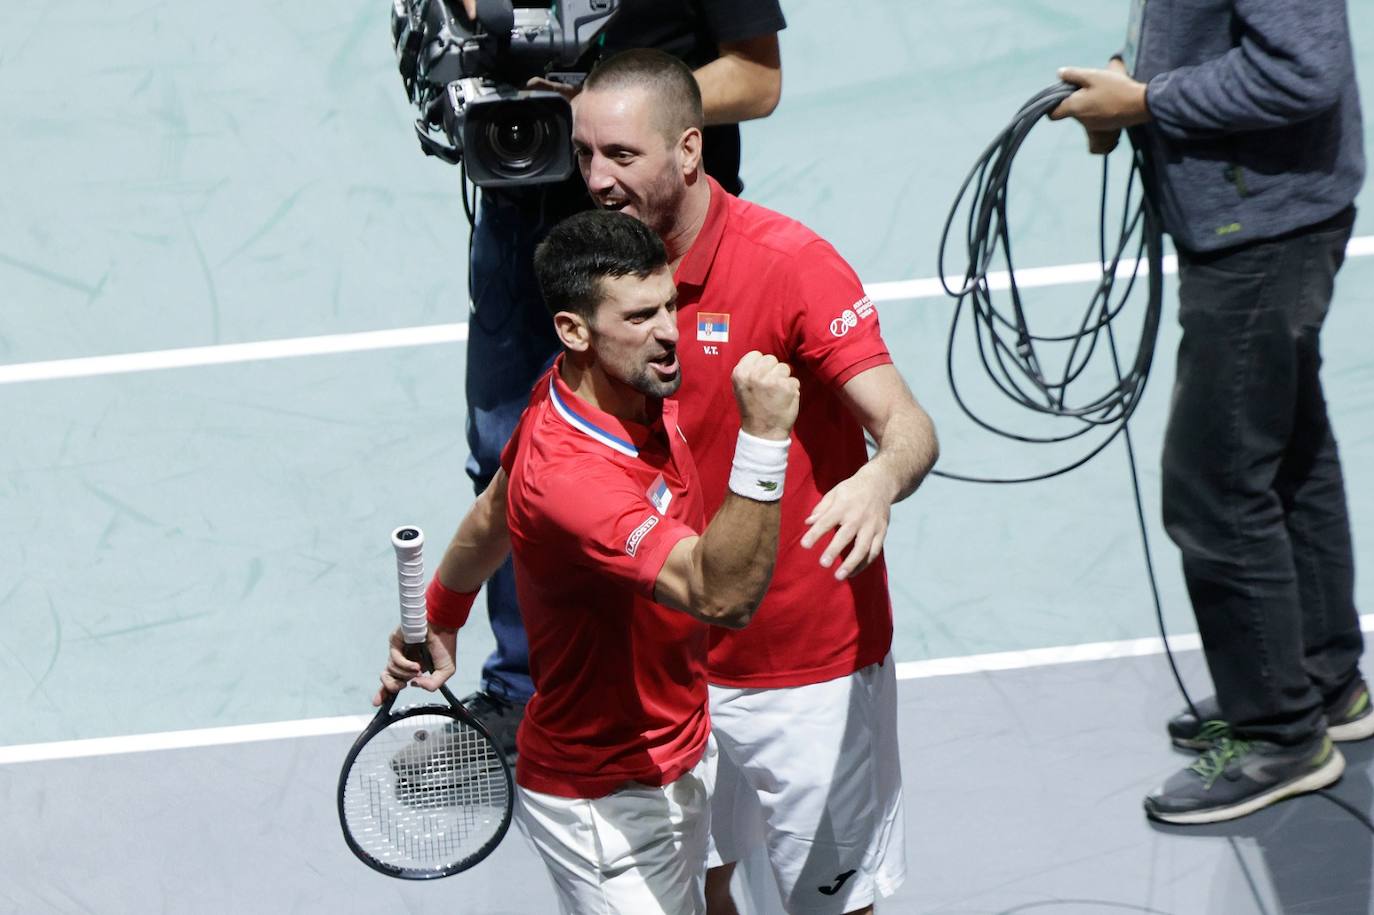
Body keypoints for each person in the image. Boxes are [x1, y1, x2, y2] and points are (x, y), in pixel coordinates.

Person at [571, 50, 940, 915]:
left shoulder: (791, 265)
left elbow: (909, 425)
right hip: (669, 663)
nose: (596, 178)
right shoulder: (601, 278)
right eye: (584, 153)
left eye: (621, 156)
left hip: (802, 671)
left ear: (690, 151)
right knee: (697, 887)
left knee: (831, 904)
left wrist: (879, 480)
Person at [377, 209, 802, 913]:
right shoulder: (574, 478)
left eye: (669, 304)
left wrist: (442, 613)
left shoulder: (603, 386)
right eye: (639, 316)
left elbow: (493, 511)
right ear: (574, 330)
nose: (670, 330)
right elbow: (719, 592)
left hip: (683, 744)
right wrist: (763, 443)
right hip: (607, 806)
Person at [1051, 0, 1371, 824]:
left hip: (1264, 225)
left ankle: (1280, 732)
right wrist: (1127, 87)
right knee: (1292, 448)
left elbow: (1304, 69)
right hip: (1257, 212)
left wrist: (1150, 103)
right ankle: (1324, 681)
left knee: (1214, 485)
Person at [456, 0, 788, 755]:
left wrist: (609, 117)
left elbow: (757, 77)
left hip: (653, 241)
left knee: (673, 449)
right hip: (521, 209)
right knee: (507, 452)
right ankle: (521, 684)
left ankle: (681, 667)